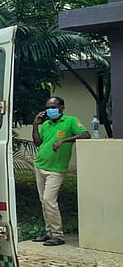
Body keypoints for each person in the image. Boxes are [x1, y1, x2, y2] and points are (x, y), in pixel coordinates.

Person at [31, 96, 91, 246]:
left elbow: (86, 134)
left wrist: (64, 141)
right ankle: (49, 232)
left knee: (49, 200)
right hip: (40, 165)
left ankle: (58, 234)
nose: (50, 110)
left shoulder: (70, 121)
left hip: (56, 169)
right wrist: (35, 125)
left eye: (53, 107)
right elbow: (38, 142)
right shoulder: (46, 124)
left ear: (62, 108)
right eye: (48, 107)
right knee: (43, 201)